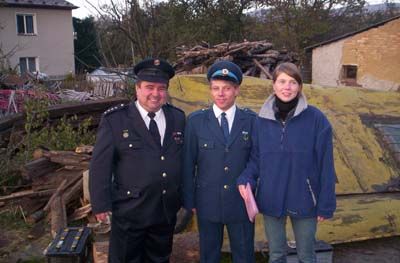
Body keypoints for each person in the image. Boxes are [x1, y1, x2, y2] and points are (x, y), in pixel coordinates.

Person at [237, 62, 336, 263]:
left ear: (299, 86)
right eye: (282, 81)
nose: (287, 87)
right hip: (271, 197)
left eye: (293, 82)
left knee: (307, 256)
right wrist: (245, 178)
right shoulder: (260, 121)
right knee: (276, 255)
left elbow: (326, 163)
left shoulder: (316, 119)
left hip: (305, 198)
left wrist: (326, 203)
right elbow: (256, 158)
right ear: (273, 85)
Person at [89, 58, 185, 263]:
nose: (155, 94)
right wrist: (100, 204)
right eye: (149, 87)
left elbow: (181, 160)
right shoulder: (116, 120)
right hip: (130, 211)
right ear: (137, 88)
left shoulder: (177, 118)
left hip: (164, 210)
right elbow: (100, 166)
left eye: (161, 88)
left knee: (159, 259)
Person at [183, 60, 256, 263]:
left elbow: (256, 159)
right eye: (216, 88)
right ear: (210, 90)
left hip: (240, 202)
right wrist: (189, 200)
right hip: (207, 202)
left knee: (244, 255)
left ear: (236, 90)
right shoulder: (196, 122)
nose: (221, 93)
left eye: (227, 88)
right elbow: (188, 163)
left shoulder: (250, 121)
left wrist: (251, 186)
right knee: (209, 255)